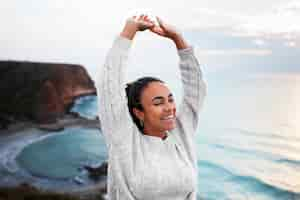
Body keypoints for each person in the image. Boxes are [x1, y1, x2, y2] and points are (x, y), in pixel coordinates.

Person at [96, 14, 207, 200]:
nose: (169, 108)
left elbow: (195, 92)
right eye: (158, 102)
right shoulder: (124, 141)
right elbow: (109, 87)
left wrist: (178, 39)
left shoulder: (181, 136)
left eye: (170, 99)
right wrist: (128, 32)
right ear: (139, 112)